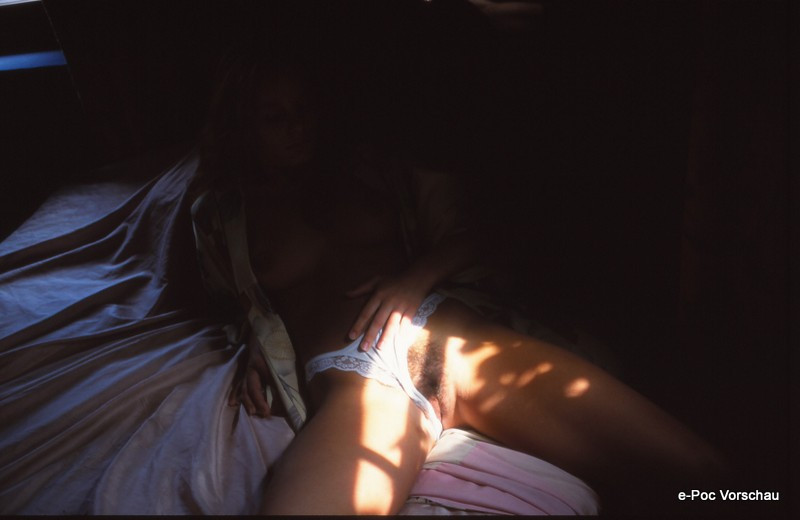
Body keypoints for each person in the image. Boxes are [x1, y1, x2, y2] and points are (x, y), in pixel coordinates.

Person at [192, 49, 726, 515]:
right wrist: (257, 343)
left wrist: (413, 279)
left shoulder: (367, 171)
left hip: (455, 342)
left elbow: (476, 234)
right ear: (244, 127)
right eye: (275, 118)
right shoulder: (224, 214)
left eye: (304, 110)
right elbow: (236, 301)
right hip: (358, 381)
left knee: (708, 478)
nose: (297, 128)